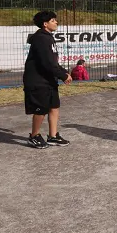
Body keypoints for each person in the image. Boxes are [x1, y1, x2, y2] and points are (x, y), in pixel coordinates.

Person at [23, 11, 72, 149]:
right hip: (38, 80)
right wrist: (62, 76)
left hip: (48, 80)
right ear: (45, 24)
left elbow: (52, 61)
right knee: (41, 109)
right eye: (53, 20)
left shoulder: (48, 38)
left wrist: (63, 72)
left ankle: (53, 136)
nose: (56, 22)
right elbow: (46, 63)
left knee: (54, 106)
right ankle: (34, 136)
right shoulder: (41, 39)